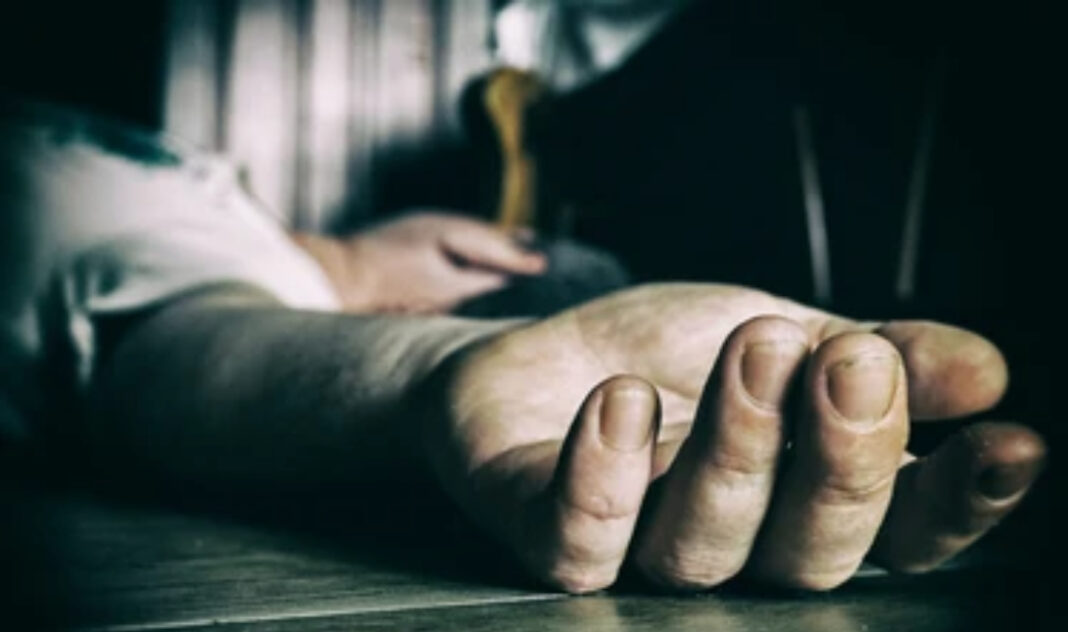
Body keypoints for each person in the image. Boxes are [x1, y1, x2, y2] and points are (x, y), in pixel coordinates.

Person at [0, 98, 1046, 594]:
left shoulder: (229, 260)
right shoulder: (218, 222)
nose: (507, 259)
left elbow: (186, 342)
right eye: (508, 259)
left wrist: (425, 368)